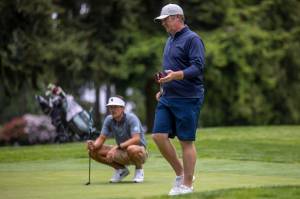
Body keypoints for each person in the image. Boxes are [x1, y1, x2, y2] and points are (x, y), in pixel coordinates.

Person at [152, 3, 205, 196]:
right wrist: (163, 86)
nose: (163, 24)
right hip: (168, 96)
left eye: (165, 20)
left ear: (177, 18)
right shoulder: (170, 40)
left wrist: (176, 76)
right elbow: (169, 69)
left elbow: (197, 67)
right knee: (158, 135)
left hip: (189, 97)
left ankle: (187, 185)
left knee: (186, 141)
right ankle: (181, 173)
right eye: (162, 21)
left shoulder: (193, 39)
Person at [86, 96, 147, 183]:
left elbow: (136, 139)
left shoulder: (131, 118)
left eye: (115, 107)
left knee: (132, 149)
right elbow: (102, 138)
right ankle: (121, 170)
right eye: (110, 107)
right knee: (93, 151)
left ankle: (139, 170)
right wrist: (94, 145)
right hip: (121, 151)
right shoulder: (109, 119)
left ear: (122, 108)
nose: (112, 110)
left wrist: (116, 147)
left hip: (139, 151)